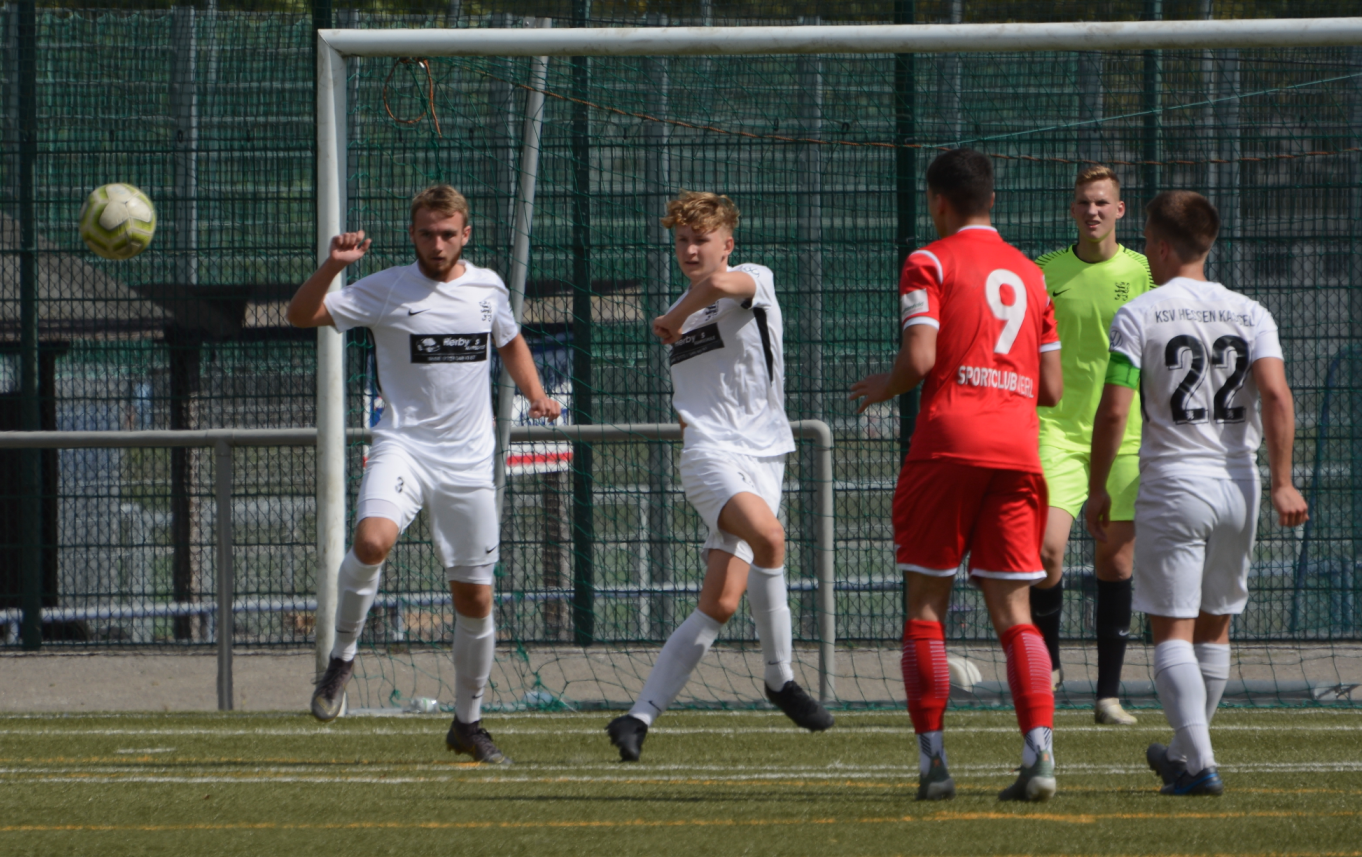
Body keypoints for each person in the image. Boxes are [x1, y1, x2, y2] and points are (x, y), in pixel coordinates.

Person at [288, 185, 562, 764]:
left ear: (466, 235)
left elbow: (510, 342)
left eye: (447, 233)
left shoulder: (488, 287)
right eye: (426, 233)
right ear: (412, 235)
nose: (437, 243)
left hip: (468, 463)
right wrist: (333, 267)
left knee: (476, 598)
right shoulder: (386, 287)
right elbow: (300, 314)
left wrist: (536, 393)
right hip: (403, 447)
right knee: (371, 541)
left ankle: (468, 722)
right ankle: (342, 657)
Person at [851, 149, 1064, 802]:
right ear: (991, 200)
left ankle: (935, 765)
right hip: (1017, 450)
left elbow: (919, 357)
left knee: (925, 605)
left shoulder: (930, 260)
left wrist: (884, 386)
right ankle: (1040, 758)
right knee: (1016, 611)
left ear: (937, 201)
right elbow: (1052, 387)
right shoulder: (1032, 274)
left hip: (948, 445)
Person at [1087, 190, 1308, 796]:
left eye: (1146, 244)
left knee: (1172, 633)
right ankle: (1185, 757)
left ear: (1160, 247)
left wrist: (1098, 488)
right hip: (1241, 483)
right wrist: (1284, 481)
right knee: (1214, 629)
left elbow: (1114, 411)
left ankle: (1201, 765)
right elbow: (1276, 395)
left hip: (1174, 483)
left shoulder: (1139, 313)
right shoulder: (1251, 311)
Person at [606, 191, 834, 763]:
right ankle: (780, 679)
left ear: (727, 244)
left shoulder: (754, 279)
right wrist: (677, 316)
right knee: (771, 537)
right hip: (709, 456)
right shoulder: (682, 308)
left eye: (701, 239)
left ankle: (637, 717)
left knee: (721, 603)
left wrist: (672, 318)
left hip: (765, 457)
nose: (689, 249)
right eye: (681, 240)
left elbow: (715, 286)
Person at [1032, 166, 1155, 725]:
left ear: (1120, 210)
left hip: (1126, 437)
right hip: (1055, 431)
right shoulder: (1044, 272)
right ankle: (1050, 668)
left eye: (1103, 202)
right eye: (1084, 202)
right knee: (1045, 551)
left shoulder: (1145, 272)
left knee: (1115, 558)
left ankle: (1108, 697)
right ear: (1072, 210)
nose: (1093, 211)